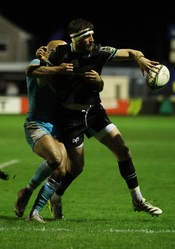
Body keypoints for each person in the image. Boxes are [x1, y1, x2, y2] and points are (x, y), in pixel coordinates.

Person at [41, 18, 163, 220]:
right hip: (70, 118)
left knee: (123, 150)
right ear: (76, 39)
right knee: (77, 168)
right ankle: (56, 197)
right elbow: (41, 79)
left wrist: (139, 58)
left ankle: (138, 200)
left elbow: (131, 53)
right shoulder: (61, 55)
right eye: (87, 36)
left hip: (94, 113)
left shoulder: (98, 51)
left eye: (92, 35)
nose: (92, 39)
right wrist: (53, 68)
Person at [14, 40, 74, 223]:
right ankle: (27, 191)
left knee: (61, 171)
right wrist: (45, 62)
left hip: (57, 127)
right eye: (56, 50)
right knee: (55, 159)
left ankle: (34, 212)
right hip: (36, 124)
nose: (62, 53)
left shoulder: (64, 69)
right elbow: (40, 79)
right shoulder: (36, 64)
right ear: (47, 52)